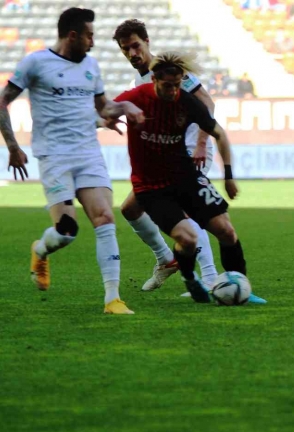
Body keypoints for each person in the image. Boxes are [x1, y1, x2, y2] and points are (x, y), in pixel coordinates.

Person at [0, 8, 143, 314]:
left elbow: (103, 107)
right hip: (54, 156)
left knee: (105, 218)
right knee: (66, 231)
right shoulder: (36, 63)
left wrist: (124, 108)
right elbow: (1, 101)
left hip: (88, 153)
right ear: (73, 35)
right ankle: (40, 250)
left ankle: (113, 299)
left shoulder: (91, 65)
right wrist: (12, 146)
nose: (93, 42)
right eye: (89, 35)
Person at [112, 52, 265, 304]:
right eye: (167, 86)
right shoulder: (136, 98)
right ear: (154, 80)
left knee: (226, 230)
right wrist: (103, 118)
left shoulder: (186, 102)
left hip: (185, 177)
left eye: (177, 85)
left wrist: (228, 176)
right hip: (151, 187)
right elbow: (106, 109)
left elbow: (220, 134)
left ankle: (240, 287)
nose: (173, 91)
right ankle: (190, 278)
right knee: (187, 238)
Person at [113, 19, 223, 296]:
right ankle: (166, 258)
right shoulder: (139, 81)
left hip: (191, 151)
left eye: (136, 45)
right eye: (126, 49)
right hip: (165, 157)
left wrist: (200, 143)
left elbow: (207, 103)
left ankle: (210, 278)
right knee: (130, 209)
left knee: (186, 211)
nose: (132, 53)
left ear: (147, 43)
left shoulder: (167, 70)